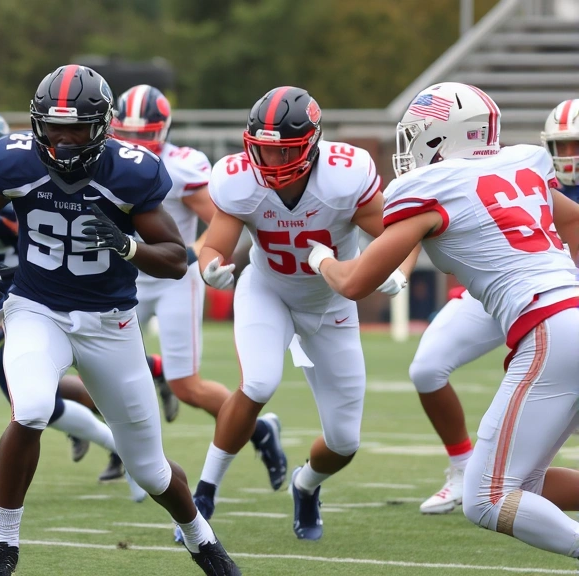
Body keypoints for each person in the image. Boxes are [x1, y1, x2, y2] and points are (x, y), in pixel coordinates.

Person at [0, 64, 240, 576]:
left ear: (102, 125)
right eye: (52, 126)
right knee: (33, 406)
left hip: (110, 323)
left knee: (149, 469)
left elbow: (174, 259)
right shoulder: (15, 160)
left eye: (76, 127)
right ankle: (5, 544)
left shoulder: (130, 171)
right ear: (35, 123)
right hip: (37, 310)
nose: (62, 139)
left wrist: (127, 244)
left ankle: (202, 540)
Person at [309, 81, 579, 559]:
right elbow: (573, 219)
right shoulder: (522, 166)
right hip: (565, 313)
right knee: (525, 484)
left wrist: (320, 261)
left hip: (550, 328)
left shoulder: (431, 188)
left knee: (487, 499)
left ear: (441, 136)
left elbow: (353, 283)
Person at [192, 86, 415, 542]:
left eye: (284, 151)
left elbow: (399, 232)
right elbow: (214, 243)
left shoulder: (345, 175)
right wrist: (209, 267)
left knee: (344, 441)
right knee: (257, 383)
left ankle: (306, 483)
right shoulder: (239, 179)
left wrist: (400, 271)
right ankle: (203, 494)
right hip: (267, 290)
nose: (272, 163)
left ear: (312, 144)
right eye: (264, 151)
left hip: (331, 303)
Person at [0, 107, 133, 504]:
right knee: (30, 399)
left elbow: (51, 245)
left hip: (27, 296)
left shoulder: (17, 186)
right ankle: (117, 441)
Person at [406, 97, 579, 515]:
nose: (567, 156)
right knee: (427, 367)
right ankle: (462, 469)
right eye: (562, 146)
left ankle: (495, 482)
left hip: (556, 300)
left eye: (576, 145)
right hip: (504, 289)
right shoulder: (524, 167)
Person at [110, 84, 287, 492]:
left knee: (186, 386)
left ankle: (258, 431)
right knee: (104, 370)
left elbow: (221, 223)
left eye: (145, 133)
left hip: (173, 279)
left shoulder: (182, 167)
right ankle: (132, 455)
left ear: (165, 129)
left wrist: (193, 253)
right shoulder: (105, 160)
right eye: (129, 133)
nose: (136, 142)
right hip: (123, 278)